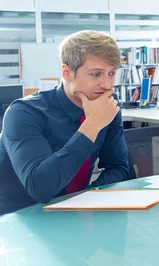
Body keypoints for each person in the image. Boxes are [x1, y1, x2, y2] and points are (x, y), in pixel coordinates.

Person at [0, 30, 130, 216]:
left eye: (112, 73)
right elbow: (40, 188)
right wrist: (92, 125)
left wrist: (86, 198)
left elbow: (119, 167)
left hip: (73, 217)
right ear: (67, 73)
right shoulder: (24, 113)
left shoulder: (107, 104)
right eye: (96, 74)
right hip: (20, 218)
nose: (107, 85)